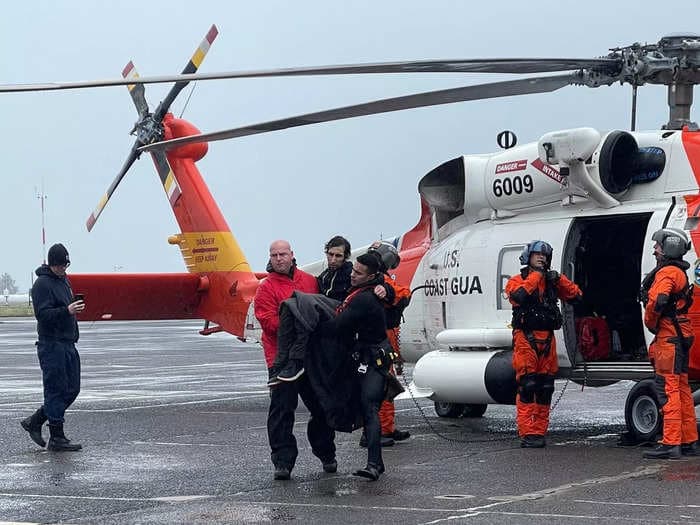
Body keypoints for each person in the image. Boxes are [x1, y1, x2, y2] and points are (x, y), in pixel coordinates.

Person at [254, 239, 337, 480]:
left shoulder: (310, 281)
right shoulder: (266, 288)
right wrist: (300, 321)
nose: (279, 259)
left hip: (311, 357)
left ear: (292, 255)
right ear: (270, 258)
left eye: (283, 254)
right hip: (280, 359)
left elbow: (325, 308)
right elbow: (268, 323)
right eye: (274, 255)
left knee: (322, 407)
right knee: (282, 410)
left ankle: (326, 453)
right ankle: (283, 461)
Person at [505, 240, 582, 448]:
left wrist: (559, 280)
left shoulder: (552, 282)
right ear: (528, 257)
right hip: (525, 339)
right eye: (538, 254)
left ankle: (539, 431)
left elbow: (576, 295)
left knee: (546, 386)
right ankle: (527, 431)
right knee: (528, 385)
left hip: (548, 338)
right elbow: (519, 296)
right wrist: (537, 275)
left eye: (545, 256)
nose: (542, 258)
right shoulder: (516, 281)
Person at [323, 252, 392, 481]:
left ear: (371, 276)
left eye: (358, 273)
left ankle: (375, 464)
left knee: (369, 408)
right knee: (367, 407)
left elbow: (338, 326)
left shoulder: (363, 298)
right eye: (353, 270)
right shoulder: (364, 291)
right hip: (368, 355)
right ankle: (375, 463)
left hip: (374, 359)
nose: (352, 275)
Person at [640, 228, 698, 459]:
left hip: (669, 338)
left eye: (658, 246)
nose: (655, 250)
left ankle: (671, 442)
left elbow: (658, 301)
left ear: (669, 247)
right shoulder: (680, 273)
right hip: (681, 337)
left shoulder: (667, 273)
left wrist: (651, 322)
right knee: (682, 390)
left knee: (667, 389)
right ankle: (688, 441)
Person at [20, 243, 84, 452]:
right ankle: (57, 437)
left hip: (68, 342)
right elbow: (43, 315)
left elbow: (63, 310)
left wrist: (72, 310)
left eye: (66, 265)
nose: (64, 269)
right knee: (55, 389)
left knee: (72, 389)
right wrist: (66, 310)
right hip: (51, 344)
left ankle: (36, 420)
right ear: (52, 264)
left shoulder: (64, 281)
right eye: (60, 266)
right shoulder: (42, 285)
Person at [361, 241, 411, 447]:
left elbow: (401, 295)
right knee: (378, 386)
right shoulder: (377, 282)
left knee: (387, 384)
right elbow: (403, 294)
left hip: (386, 335)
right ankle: (373, 432)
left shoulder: (382, 281)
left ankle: (386, 428)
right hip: (378, 337)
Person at [317, 235, 353, 301]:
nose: (333, 260)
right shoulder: (323, 277)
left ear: (346, 256)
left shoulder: (352, 274)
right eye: (330, 254)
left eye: (338, 256)